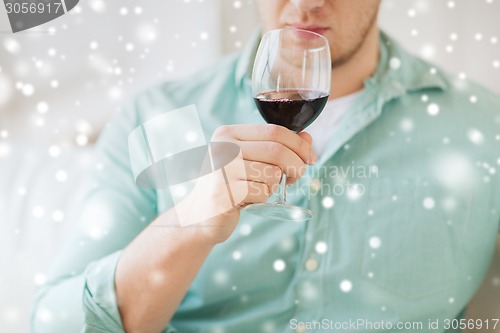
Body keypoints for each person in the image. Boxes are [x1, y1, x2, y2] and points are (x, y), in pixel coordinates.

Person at [32, 1, 500, 332]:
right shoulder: (155, 119)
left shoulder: (483, 128)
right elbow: (56, 324)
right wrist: (188, 224)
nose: (307, 3)